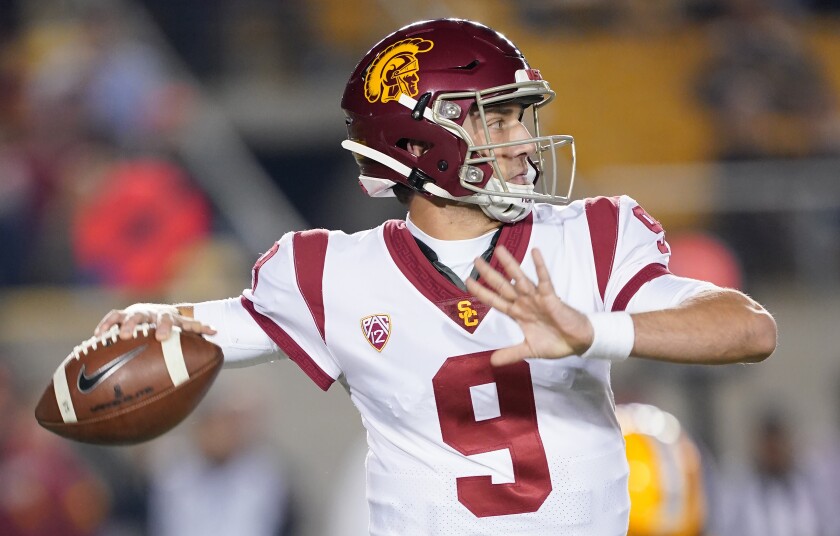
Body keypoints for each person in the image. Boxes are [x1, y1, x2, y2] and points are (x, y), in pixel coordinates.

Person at [93, 18, 777, 535]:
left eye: (520, 118)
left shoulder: (588, 238)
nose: (523, 141)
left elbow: (750, 330)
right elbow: (204, 331)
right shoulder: (330, 274)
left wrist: (594, 331)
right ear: (422, 141)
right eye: (498, 120)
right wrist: (157, 319)